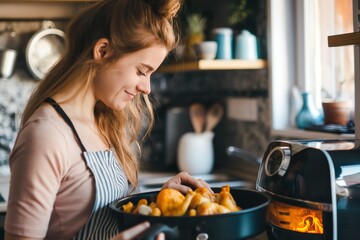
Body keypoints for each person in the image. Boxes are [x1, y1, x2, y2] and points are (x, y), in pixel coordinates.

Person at [4, 0, 212, 239]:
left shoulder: (102, 122)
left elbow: (109, 220)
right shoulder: (47, 135)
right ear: (102, 51)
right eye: (141, 71)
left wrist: (158, 201)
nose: (147, 87)